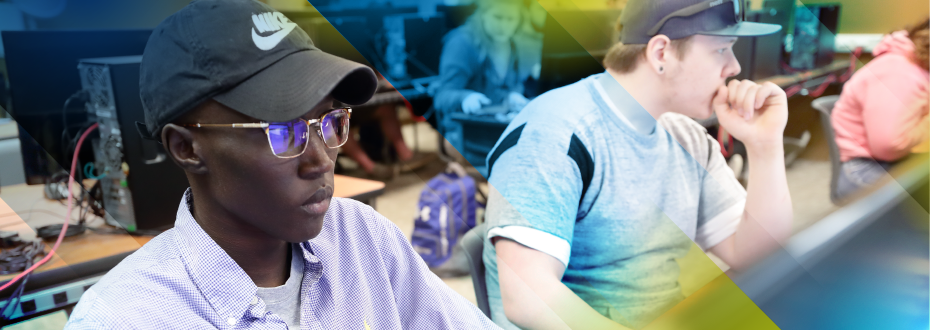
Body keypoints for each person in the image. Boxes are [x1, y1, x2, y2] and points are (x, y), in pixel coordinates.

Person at [64, 1, 498, 329]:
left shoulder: (363, 239)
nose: (321, 159)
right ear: (186, 148)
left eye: (329, 122)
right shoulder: (126, 318)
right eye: (281, 131)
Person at [482, 0, 794, 329]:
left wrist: (765, 146)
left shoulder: (686, 137)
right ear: (662, 53)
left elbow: (759, 255)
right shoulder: (553, 134)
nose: (734, 68)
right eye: (721, 49)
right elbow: (527, 298)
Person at [831, 17, 930, 200]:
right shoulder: (899, 72)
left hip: (900, 158)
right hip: (870, 167)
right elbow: (889, 147)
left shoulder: (920, 65)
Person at [432, 0, 542, 153]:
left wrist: (510, 96)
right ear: (483, 14)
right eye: (497, 17)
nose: (504, 26)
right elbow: (442, 97)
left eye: (511, 19)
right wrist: (465, 98)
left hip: (497, 128)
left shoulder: (511, 44)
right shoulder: (461, 43)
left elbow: (501, 89)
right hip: (463, 134)